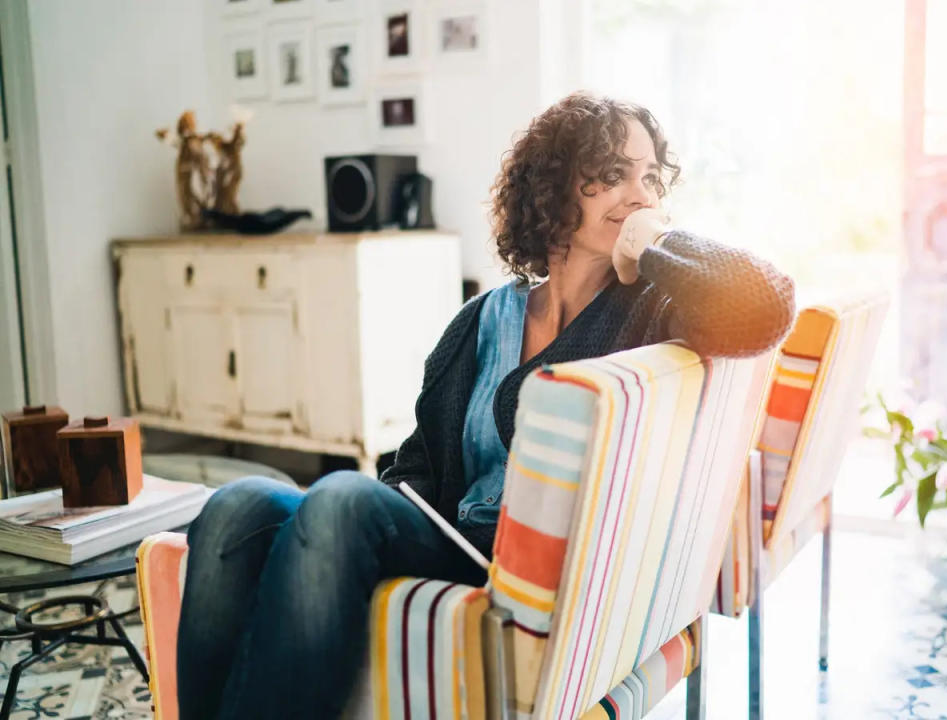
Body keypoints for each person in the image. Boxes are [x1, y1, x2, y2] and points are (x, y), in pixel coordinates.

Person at [176, 92, 796, 719]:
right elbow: (416, 466)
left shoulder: (652, 314)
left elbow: (767, 306)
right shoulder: (480, 321)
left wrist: (653, 242)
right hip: (449, 539)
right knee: (236, 505)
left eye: (650, 178)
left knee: (339, 497)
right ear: (554, 190)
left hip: (521, 568)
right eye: (611, 175)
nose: (639, 193)